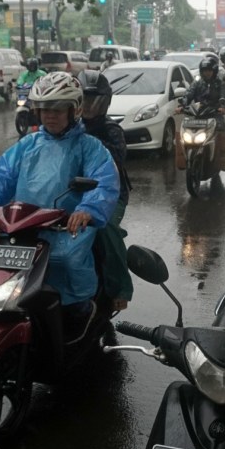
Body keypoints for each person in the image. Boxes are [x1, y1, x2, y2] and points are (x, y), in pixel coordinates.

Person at [0, 71, 120, 342]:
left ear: (75, 109)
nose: (51, 115)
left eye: (59, 108)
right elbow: (2, 176)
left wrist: (87, 210)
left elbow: (103, 181)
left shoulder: (90, 147)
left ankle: (80, 307)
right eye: (45, 108)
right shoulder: (27, 144)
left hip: (66, 226)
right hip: (24, 224)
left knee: (68, 260)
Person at [78, 69, 133, 312]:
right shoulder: (66, 128)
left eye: (95, 101)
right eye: (85, 100)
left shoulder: (112, 131)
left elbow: (116, 157)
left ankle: (120, 289)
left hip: (109, 194)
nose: (90, 106)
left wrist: (87, 141)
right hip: (70, 193)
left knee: (105, 227)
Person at [181, 55, 225, 130]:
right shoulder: (197, 83)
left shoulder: (220, 83)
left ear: (214, 71)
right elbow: (189, 93)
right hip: (198, 113)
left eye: (209, 71)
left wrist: (223, 107)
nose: (207, 73)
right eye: (205, 71)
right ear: (201, 71)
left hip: (215, 113)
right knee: (186, 127)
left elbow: (224, 96)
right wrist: (182, 105)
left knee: (221, 126)